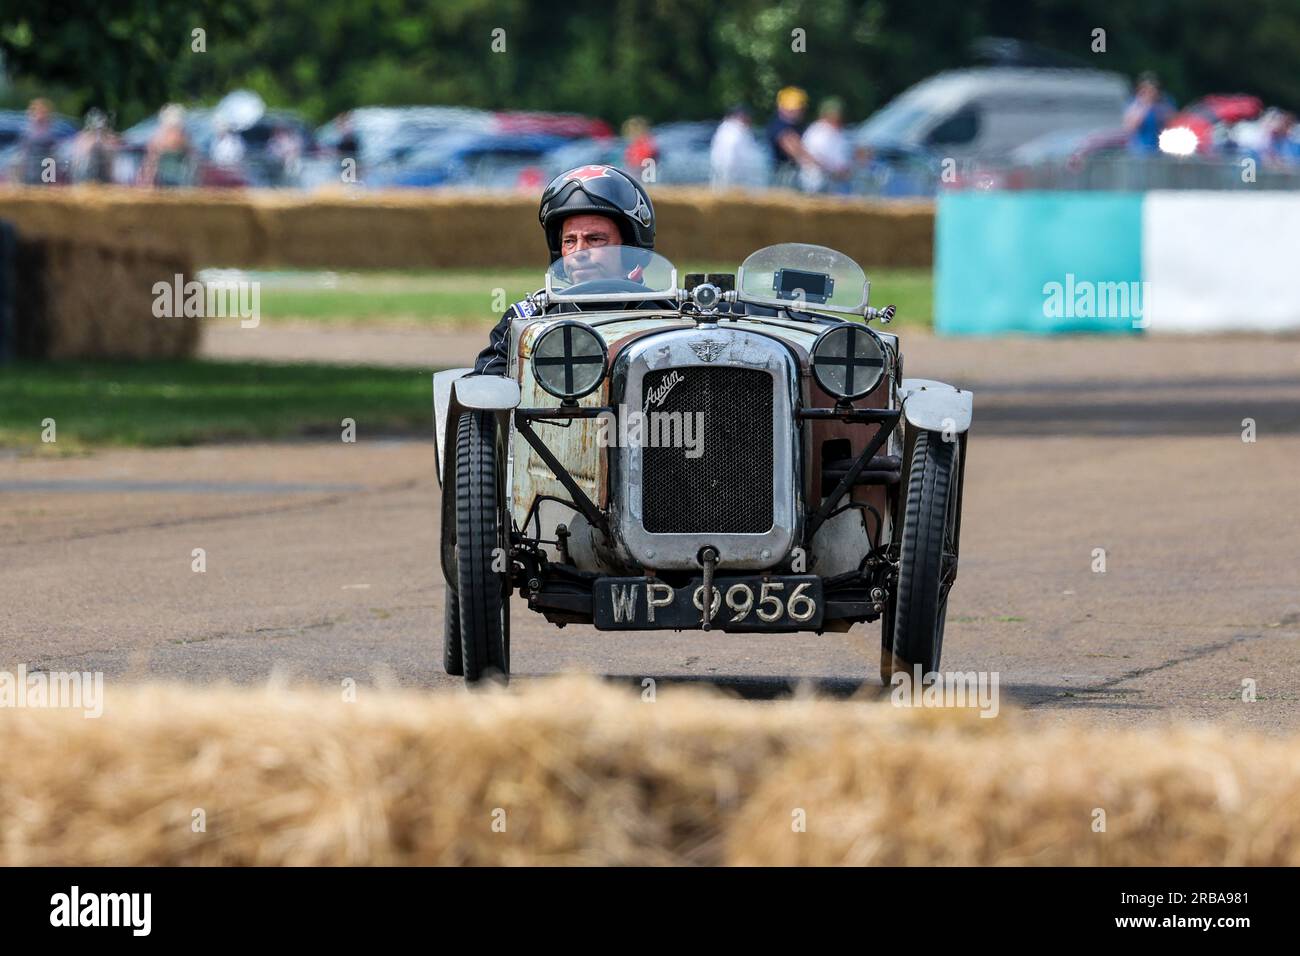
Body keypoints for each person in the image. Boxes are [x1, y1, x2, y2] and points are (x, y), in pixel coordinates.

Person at [471, 164, 655, 376]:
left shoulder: (670, 313)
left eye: (595, 239)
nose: (579, 252)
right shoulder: (525, 319)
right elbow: (483, 392)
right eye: (569, 241)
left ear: (629, 247)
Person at [765, 86, 819, 187]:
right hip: (782, 174)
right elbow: (795, 150)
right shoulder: (779, 125)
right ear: (781, 107)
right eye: (793, 108)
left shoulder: (798, 125)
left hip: (794, 173)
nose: (798, 111)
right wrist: (821, 165)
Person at [799, 97, 853, 193]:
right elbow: (811, 157)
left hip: (838, 184)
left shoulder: (839, 133)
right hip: (816, 183)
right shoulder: (817, 132)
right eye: (833, 113)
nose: (836, 116)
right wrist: (833, 171)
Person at [709, 104, 767, 189]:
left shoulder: (739, 130)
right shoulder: (731, 132)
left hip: (738, 180)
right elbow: (727, 159)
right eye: (746, 116)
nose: (749, 119)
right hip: (733, 180)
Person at [140, 104, 193, 187]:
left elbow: (150, 163)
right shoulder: (185, 138)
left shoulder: (157, 138)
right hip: (177, 180)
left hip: (166, 180)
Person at [1123, 72, 1175, 154]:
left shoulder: (1164, 103)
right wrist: (1146, 105)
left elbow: (1172, 122)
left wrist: (1156, 106)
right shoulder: (1135, 104)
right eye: (1146, 89)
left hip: (1161, 149)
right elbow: (1131, 127)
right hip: (1139, 149)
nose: (1150, 92)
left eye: (1153, 89)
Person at [15, 98, 61, 185]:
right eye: (36, 112)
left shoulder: (50, 131)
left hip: (46, 166)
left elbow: (54, 152)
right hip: (31, 167)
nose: (39, 115)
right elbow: (23, 151)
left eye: (42, 112)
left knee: (45, 191)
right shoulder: (28, 131)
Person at [69, 108, 117, 183]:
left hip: (102, 175)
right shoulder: (83, 138)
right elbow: (77, 163)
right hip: (86, 175)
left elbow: (111, 162)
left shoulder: (108, 139)